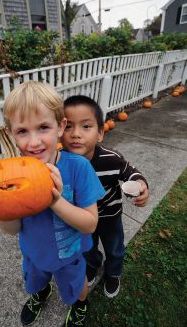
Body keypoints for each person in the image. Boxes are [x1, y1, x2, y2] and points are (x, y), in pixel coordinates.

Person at [0, 82, 106, 327]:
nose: (34, 142)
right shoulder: (9, 175)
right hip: (34, 252)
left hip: (71, 254)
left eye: (43, 127)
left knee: (76, 286)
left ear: (60, 126)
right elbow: (13, 229)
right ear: (11, 133)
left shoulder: (78, 168)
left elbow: (90, 224)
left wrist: (55, 200)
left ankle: (80, 305)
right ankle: (41, 293)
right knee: (36, 280)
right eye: (23, 131)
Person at [61, 95, 149, 298]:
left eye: (86, 126)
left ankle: (113, 273)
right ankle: (92, 267)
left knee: (115, 247)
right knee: (87, 249)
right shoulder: (61, 164)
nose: (76, 134)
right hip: (82, 218)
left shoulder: (111, 159)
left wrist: (141, 185)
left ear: (100, 133)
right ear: (59, 130)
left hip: (110, 215)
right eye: (68, 127)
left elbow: (131, 172)